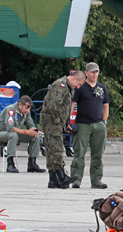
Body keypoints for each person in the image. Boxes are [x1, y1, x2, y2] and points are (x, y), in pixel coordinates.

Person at [40, 69, 85, 189]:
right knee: (56, 148)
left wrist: (64, 123)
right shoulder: (61, 85)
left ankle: (53, 178)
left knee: (51, 148)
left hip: (53, 121)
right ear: (75, 78)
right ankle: (61, 175)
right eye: (79, 84)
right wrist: (58, 120)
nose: (78, 87)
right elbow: (54, 105)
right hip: (52, 121)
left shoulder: (64, 86)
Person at [71, 61, 110, 189]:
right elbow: (73, 104)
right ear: (86, 73)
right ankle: (76, 179)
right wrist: (71, 121)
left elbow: (106, 105)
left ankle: (96, 179)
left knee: (98, 153)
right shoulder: (80, 87)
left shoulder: (102, 88)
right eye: (92, 72)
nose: (94, 74)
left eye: (96, 72)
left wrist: (103, 121)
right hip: (83, 124)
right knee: (79, 153)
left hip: (98, 123)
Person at [0, 95, 44, 173]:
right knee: (13, 135)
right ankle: (10, 163)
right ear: (20, 105)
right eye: (27, 107)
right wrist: (27, 132)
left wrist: (34, 130)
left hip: (14, 134)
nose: (28, 110)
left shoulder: (26, 112)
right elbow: (10, 128)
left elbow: (30, 124)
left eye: (30, 107)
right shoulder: (11, 110)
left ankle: (32, 163)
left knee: (35, 137)